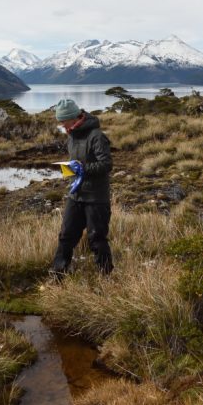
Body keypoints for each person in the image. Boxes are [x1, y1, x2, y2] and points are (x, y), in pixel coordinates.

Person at [51, 98, 114, 277]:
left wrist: (83, 169)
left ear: (73, 117)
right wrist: (71, 170)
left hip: (96, 197)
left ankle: (106, 277)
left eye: (63, 121)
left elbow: (106, 164)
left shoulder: (97, 136)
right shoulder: (72, 135)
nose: (62, 125)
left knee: (96, 239)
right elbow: (77, 162)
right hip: (76, 195)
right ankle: (58, 276)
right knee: (66, 237)